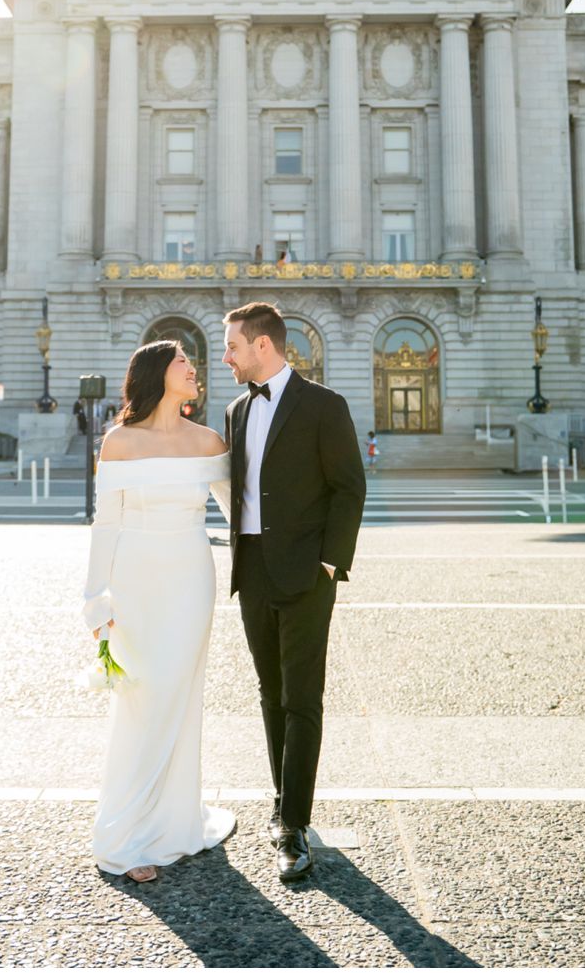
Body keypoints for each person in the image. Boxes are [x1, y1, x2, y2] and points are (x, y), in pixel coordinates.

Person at [220, 300, 367, 884]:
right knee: (268, 690)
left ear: (262, 345)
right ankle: (284, 799)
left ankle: (294, 825)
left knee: (302, 697)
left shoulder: (324, 405)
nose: (225, 356)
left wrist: (330, 562)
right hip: (252, 569)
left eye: (232, 345)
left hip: (307, 572)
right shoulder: (235, 409)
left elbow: (348, 488)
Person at [81, 339, 235, 883]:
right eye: (183, 363)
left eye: (193, 364)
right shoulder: (119, 442)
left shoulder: (209, 440)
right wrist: (95, 598)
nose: (195, 371)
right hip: (135, 579)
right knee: (143, 695)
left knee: (178, 691)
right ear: (155, 374)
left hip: (191, 576)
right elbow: (106, 523)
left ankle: (172, 821)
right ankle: (125, 833)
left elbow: (242, 514)